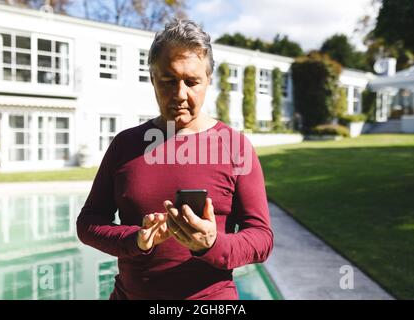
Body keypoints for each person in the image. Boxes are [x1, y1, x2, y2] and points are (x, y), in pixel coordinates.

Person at [76, 19, 273, 300]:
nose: (180, 94)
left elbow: (262, 239)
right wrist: (135, 240)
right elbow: (88, 224)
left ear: (208, 81)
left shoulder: (235, 147)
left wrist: (211, 244)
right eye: (168, 81)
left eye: (192, 82)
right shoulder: (125, 145)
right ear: (152, 78)